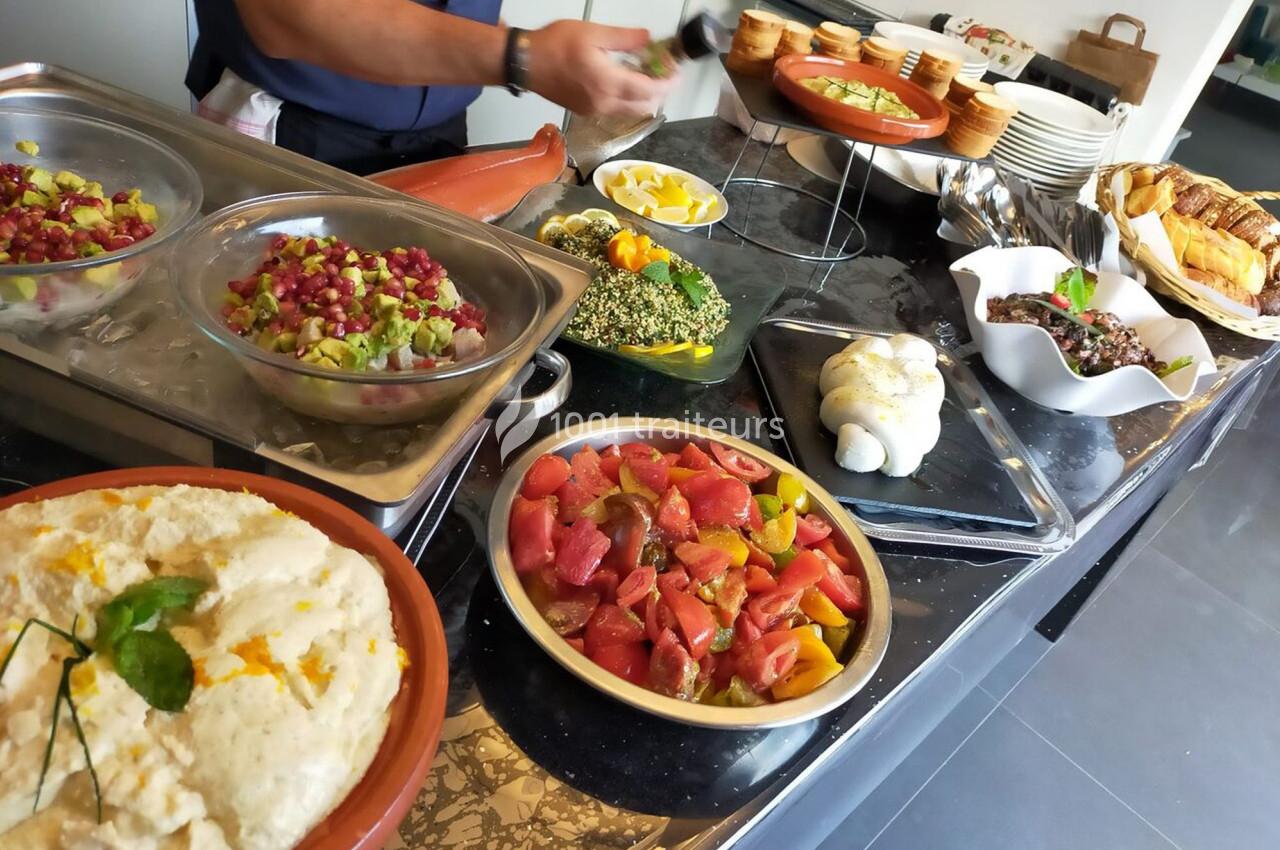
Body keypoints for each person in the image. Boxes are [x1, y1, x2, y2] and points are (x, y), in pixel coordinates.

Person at [187, 0, 678, 174]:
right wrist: (525, 58)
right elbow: (285, 15)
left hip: (440, 139)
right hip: (289, 132)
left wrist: (535, 56)